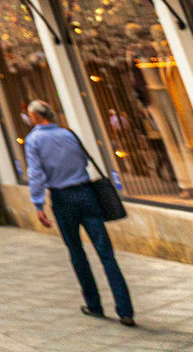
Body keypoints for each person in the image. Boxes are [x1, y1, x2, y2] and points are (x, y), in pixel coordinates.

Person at [24, 100, 135, 326]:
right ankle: (125, 310)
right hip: (86, 194)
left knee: (77, 252)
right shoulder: (69, 134)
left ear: (35, 117)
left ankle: (94, 305)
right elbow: (83, 161)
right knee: (106, 253)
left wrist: (38, 204)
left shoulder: (34, 140)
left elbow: (36, 173)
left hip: (62, 198)